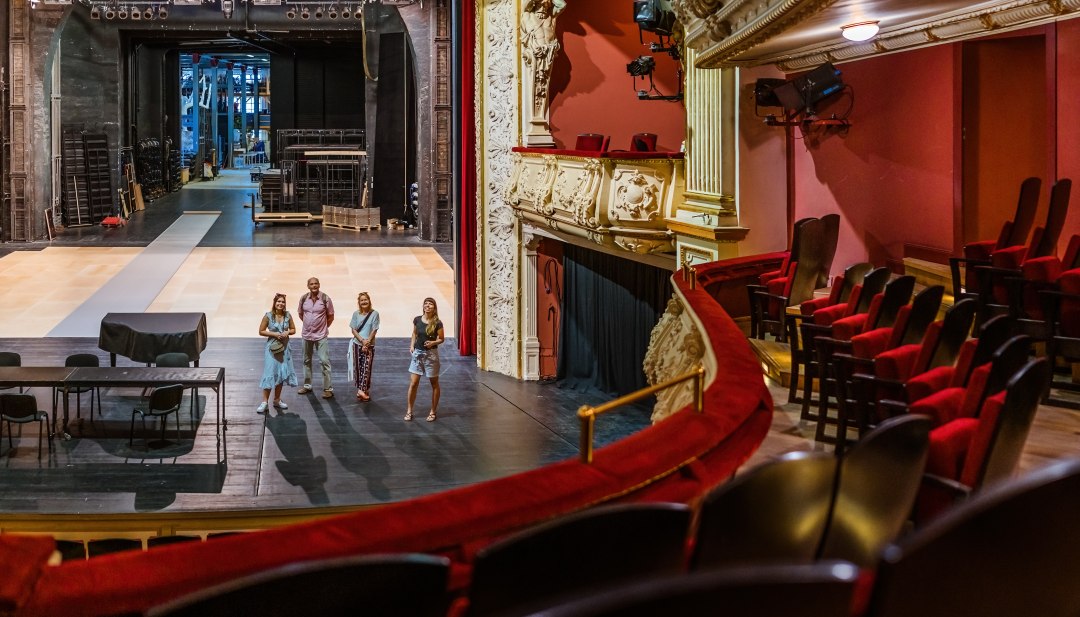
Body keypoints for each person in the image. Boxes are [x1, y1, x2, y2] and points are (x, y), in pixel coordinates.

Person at [406, 297, 445, 422]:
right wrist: (412, 345)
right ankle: (409, 410)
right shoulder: (417, 319)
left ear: (434, 307)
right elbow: (414, 333)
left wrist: (433, 342)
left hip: (431, 355)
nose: (427, 305)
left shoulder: (437, 322)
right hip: (418, 354)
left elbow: (441, 338)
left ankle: (433, 411)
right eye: (426, 304)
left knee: (434, 383)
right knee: (413, 383)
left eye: (430, 304)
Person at [257, 293, 297, 413]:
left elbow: (294, 329)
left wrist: (287, 332)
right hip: (272, 348)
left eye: (283, 302)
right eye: (278, 301)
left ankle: (277, 399)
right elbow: (261, 331)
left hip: (284, 347)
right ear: (274, 303)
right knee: (270, 372)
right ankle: (264, 402)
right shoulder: (268, 316)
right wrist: (274, 334)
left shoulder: (288, 315)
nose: (280, 304)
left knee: (281, 373)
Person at [298, 277, 335, 398]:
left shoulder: (325, 298)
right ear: (308, 286)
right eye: (311, 284)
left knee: (324, 361)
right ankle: (307, 385)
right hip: (307, 335)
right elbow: (300, 314)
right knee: (306, 360)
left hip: (321, 336)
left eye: (316, 283)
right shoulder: (304, 298)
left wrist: (323, 327)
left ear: (319, 285)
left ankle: (328, 388)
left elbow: (330, 316)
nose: (314, 285)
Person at [347, 291, 380, 402]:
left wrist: (367, 342)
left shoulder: (375, 314)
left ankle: (362, 389)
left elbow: (374, 329)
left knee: (367, 367)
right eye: (362, 300)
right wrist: (362, 341)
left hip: (369, 345)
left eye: (366, 299)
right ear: (359, 302)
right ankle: (361, 389)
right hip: (357, 344)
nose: (364, 302)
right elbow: (353, 329)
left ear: (369, 300)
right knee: (358, 367)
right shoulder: (356, 314)